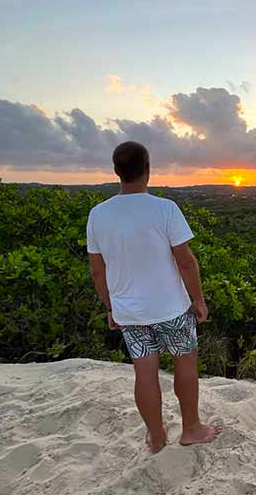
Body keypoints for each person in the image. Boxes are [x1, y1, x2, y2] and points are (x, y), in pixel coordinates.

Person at [86, 141, 222, 453]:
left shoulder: (98, 215)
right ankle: (190, 429)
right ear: (148, 171)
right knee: (185, 365)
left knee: (144, 373)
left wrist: (110, 307)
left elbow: (97, 271)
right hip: (171, 308)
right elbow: (185, 261)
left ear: (117, 172)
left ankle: (157, 436)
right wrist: (199, 300)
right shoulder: (165, 209)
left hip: (129, 312)